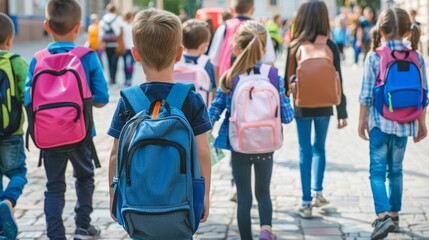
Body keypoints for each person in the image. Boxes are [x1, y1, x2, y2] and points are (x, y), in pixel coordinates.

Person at [107, 7, 212, 227]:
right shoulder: (191, 99)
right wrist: (204, 194)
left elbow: (116, 155)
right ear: (179, 52)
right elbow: (203, 151)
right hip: (181, 206)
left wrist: (113, 195)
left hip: (136, 207)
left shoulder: (128, 100)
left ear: (135, 54)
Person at [24, 0, 109, 239]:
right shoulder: (87, 56)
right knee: (84, 178)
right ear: (78, 27)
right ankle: (82, 227)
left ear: (46, 26)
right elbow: (101, 96)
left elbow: (28, 98)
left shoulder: (37, 59)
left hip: (49, 137)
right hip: (81, 134)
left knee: (53, 185)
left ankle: (54, 232)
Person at [209, 21, 294, 240]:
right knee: (263, 192)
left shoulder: (230, 77)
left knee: (244, 196)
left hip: (240, 146)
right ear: (265, 49)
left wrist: (205, 130)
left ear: (236, 48)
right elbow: (287, 117)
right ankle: (266, 230)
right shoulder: (274, 76)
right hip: (267, 145)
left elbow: (214, 112)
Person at [358, 8, 428, 240]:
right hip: (405, 123)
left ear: (381, 30)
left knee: (377, 172)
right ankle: (395, 216)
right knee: (396, 171)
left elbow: (366, 94)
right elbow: (423, 94)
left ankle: (383, 216)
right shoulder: (417, 57)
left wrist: (361, 121)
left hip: (379, 123)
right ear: (409, 31)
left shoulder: (375, 56)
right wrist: (422, 123)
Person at [285, 1, 348, 219]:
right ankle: (318, 191)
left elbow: (286, 83)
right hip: (325, 104)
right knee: (319, 147)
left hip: (302, 105)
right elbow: (339, 78)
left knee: (305, 150)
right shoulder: (330, 45)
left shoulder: (295, 46)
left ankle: (306, 201)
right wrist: (342, 112)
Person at [208, 0, 276, 202]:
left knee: (235, 131)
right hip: (257, 90)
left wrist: (221, 86)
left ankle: (236, 183)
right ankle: (258, 185)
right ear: (252, 10)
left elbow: (214, 61)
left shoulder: (224, 27)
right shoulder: (259, 29)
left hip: (232, 86)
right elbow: (270, 60)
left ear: (231, 9)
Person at [0, 12, 28, 240]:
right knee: (18, 172)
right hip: (12, 134)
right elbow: (28, 95)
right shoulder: (16, 62)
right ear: (10, 39)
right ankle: (8, 201)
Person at [181, 19, 216, 99]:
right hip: (200, 107)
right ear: (203, 46)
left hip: (177, 108)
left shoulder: (176, 61)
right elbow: (213, 89)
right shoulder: (207, 64)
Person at [99, 3, 123, 84]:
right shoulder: (118, 18)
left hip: (107, 44)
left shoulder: (103, 19)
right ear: (115, 10)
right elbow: (119, 32)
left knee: (108, 61)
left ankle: (110, 78)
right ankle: (114, 78)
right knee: (115, 62)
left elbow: (101, 33)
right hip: (116, 44)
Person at [122, 11, 134, 87]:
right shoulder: (134, 26)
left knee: (125, 64)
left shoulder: (122, 26)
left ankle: (126, 79)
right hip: (132, 47)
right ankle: (130, 79)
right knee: (131, 64)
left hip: (124, 47)